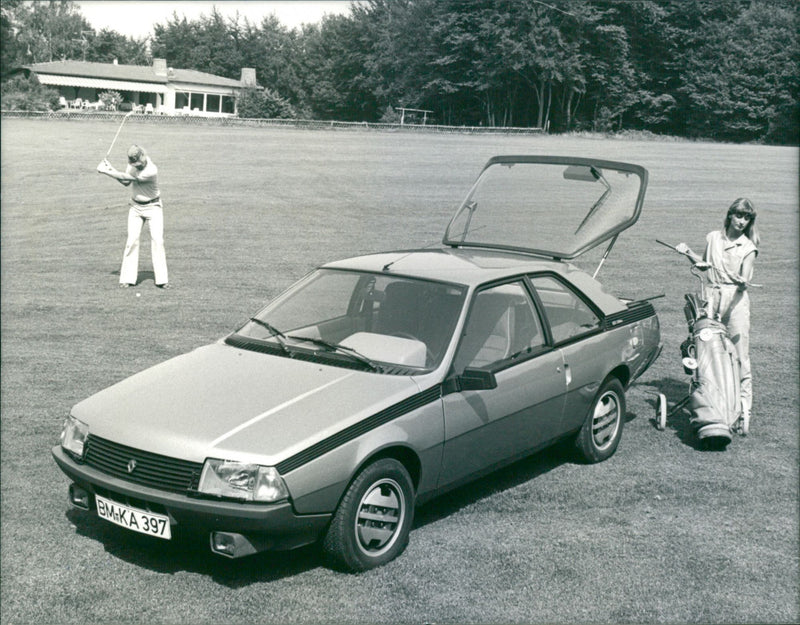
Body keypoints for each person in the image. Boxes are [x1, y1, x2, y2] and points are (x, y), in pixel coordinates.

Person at [676, 198, 760, 428]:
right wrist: (688, 252)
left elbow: (745, 278)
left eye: (747, 218)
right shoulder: (713, 237)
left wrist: (742, 282)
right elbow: (704, 264)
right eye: (739, 216)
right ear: (730, 215)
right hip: (711, 297)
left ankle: (742, 409)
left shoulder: (749, 248)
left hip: (735, 301)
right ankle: (709, 402)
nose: (742, 221)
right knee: (706, 349)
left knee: (740, 355)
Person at [97, 145, 169, 289]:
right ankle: (127, 278)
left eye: (139, 162)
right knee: (132, 241)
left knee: (157, 240)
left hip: (153, 207)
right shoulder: (132, 166)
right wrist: (110, 169)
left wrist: (107, 170)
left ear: (143, 157)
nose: (138, 165)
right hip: (135, 208)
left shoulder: (151, 170)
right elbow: (125, 182)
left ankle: (162, 280)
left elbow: (126, 177)